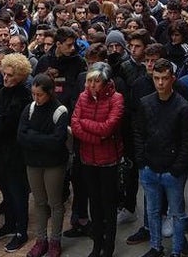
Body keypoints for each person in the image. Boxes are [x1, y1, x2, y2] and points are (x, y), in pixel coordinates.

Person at [134, 59, 188, 257]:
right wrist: (142, 162)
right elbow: (138, 133)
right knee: (152, 212)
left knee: (177, 214)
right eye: (156, 78)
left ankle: (177, 251)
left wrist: (176, 169)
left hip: (172, 172)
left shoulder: (184, 107)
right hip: (150, 168)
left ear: (172, 79)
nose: (160, 83)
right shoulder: (146, 103)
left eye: (164, 79)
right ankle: (156, 246)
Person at [71, 62, 124, 257]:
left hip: (108, 161)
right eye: (89, 81)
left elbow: (108, 128)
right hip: (88, 159)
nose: (92, 85)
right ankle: (97, 244)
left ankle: (108, 247)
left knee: (108, 205)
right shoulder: (82, 97)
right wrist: (97, 137)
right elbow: (75, 125)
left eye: (96, 81)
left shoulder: (116, 99)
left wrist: (87, 125)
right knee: (94, 203)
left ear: (106, 82)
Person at [18, 73, 68, 257]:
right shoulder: (29, 109)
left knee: (55, 203)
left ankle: (55, 240)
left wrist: (33, 136)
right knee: (39, 202)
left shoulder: (60, 111)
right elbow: (21, 136)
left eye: (40, 95)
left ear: (49, 93)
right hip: (33, 163)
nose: (36, 98)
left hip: (53, 164)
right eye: (33, 94)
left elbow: (57, 141)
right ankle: (41, 240)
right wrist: (41, 139)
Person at [0, 53, 32, 252]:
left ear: (20, 76)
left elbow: (8, 123)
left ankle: (21, 231)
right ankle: (10, 224)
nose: (5, 78)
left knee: (18, 193)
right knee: (6, 192)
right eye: (4, 74)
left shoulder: (23, 96)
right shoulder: (1, 91)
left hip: (15, 154)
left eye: (10, 75)